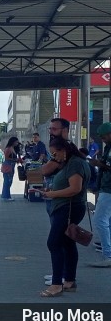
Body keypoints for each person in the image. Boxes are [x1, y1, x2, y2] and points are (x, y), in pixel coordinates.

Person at [39, 136, 90, 296]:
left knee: (54, 243)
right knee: (67, 243)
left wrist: (53, 194)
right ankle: (69, 280)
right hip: (69, 206)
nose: (55, 158)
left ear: (64, 150)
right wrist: (52, 192)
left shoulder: (75, 163)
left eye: (55, 154)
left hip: (68, 208)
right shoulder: (73, 162)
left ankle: (56, 284)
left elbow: (75, 188)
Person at [89, 122, 111, 267]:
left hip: (109, 189)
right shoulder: (108, 147)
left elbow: (107, 166)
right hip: (106, 187)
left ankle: (107, 254)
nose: (102, 140)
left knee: (99, 220)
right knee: (107, 220)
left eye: (104, 137)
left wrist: (99, 164)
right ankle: (107, 246)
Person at [1, 136, 22, 201]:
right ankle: (6, 196)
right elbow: (7, 158)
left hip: (11, 166)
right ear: (13, 142)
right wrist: (15, 159)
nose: (17, 143)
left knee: (9, 181)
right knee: (7, 181)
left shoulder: (12, 148)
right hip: (8, 165)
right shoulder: (8, 149)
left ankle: (7, 195)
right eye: (16, 142)